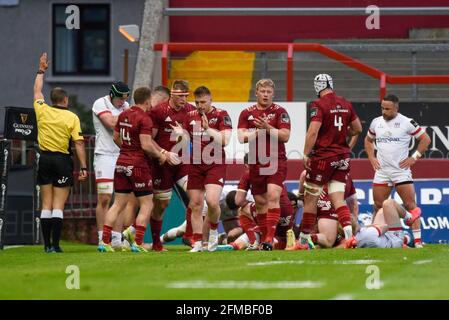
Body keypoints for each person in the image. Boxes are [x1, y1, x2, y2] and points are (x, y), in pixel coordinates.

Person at [98, 87, 167, 253]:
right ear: (147, 101)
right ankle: (137, 242)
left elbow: (116, 138)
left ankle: (104, 242)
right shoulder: (145, 119)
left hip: (121, 162)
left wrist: (127, 150)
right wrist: (160, 155)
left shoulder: (123, 115)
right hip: (138, 165)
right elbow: (146, 145)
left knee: (118, 204)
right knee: (147, 203)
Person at [299, 74, 362, 249]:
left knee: (310, 199)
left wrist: (305, 154)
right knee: (338, 199)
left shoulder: (318, 105)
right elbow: (357, 128)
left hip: (324, 158)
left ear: (317, 87)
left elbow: (313, 132)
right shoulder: (345, 103)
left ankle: (303, 241)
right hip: (342, 158)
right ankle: (350, 237)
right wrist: (343, 136)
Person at [33, 52, 88, 253]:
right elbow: (80, 144)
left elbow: (37, 91)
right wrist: (83, 167)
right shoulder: (72, 118)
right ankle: (56, 245)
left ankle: (46, 245)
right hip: (62, 160)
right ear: (65, 100)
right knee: (58, 206)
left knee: (45, 204)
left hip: (45, 158)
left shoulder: (42, 110)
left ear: (52, 99)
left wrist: (41, 70)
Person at [364, 94, 431, 248]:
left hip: (401, 171)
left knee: (410, 205)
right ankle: (375, 238)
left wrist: (414, 157)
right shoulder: (376, 122)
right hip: (382, 171)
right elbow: (368, 140)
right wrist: (372, 158)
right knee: (378, 206)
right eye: (382, 108)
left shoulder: (407, 122)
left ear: (396, 108)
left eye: (387, 109)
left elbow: (425, 139)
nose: (384, 111)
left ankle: (418, 242)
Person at [172, 86, 232, 252]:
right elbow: (183, 142)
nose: (200, 106)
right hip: (196, 165)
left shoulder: (221, 115)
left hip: (215, 164)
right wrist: (179, 134)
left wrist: (207, 129)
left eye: (203, 102)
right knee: (195, 205)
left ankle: (213, 231)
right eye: (197, 102)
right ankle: (198, 242)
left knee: (212, 202)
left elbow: (225, 140)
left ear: (210, 100)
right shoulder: (189, 116)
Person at [138, 80, 194, 251]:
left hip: (183, 163)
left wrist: (183, 135)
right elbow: (149, 140)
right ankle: (155, 243)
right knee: (162, 204)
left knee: (197, 198)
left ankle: (193, 238)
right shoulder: (158, 111)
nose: (183, 99)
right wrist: (163, 153)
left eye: (185, 95)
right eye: (179, 96)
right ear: (172, 94)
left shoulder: (191, 110)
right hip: (162, 165)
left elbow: (195, 138)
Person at [237, 79, 291, 251]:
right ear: (256, 93)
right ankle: (263, 238)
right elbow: (240, 137)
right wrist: (257, 132)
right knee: (260, 202)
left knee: (273, 196)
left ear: (273, 93)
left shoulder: (280, 112)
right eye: (263, 91)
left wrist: (267, 127)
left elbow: (285, 136)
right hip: (255, 162)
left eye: (269, 92)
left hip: (276, 161)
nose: (266, 94)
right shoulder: (247, 113)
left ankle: (269, 238)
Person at [92, 82, 136, 249]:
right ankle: (102, 239)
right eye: (119, 99)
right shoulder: (100, 103)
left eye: (124, 99)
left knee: (122, 199)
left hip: (121, 154)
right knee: (104, 197)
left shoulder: (126, 106)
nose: (121, 103)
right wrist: (129, 117)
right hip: (104, 155)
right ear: (111, 95)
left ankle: (117, 240)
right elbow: (110, 123)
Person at [348, 198, 421, 249]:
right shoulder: (368, 232)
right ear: (352, 220)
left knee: (381, 210)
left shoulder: (353, 237)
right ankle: (410, 217)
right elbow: (386, 227)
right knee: (388, 204)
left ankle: (407, 239)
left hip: (379, 240)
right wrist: (392, 218)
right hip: (394, 242)